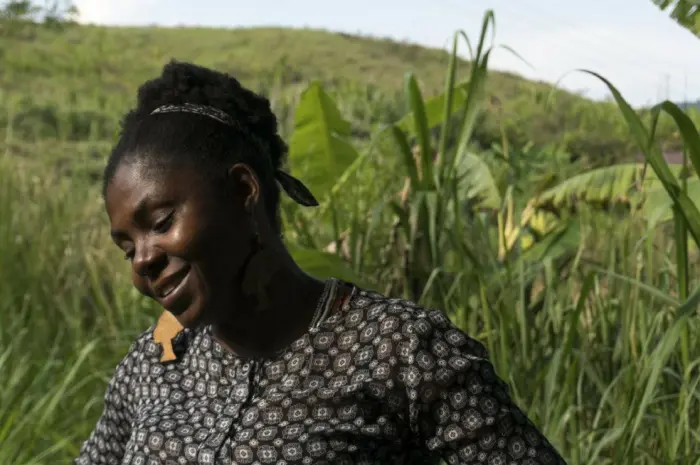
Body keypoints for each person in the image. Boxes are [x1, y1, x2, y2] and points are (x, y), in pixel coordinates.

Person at [75, 60, 567, 465]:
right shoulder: (154, 362)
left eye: (161, 222)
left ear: (244, 190)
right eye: (127, 247)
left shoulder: (404, 353)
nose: (143, 261)